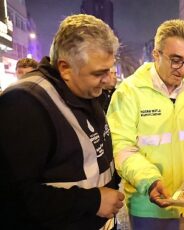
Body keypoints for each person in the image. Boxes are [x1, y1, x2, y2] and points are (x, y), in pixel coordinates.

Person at [0, 14, 124, 229]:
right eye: (99, 73)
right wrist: (93, 201)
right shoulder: (24, 104)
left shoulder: (84, 90)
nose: (106, 81)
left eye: (109, 70)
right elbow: (13, 196)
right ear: (65, 68)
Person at [107, 19, 184, 230]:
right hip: (148, 206)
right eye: (176, 60)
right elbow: (121, 147)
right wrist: (149, 180)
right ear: (156, 54)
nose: (183, 70)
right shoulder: (129, 92)